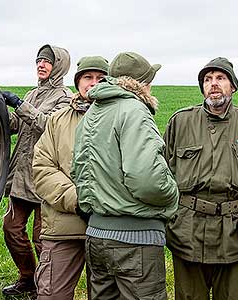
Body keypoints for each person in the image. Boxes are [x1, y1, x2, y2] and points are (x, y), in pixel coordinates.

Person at [71, 51, 179, 300]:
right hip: (135, 240)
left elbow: (78, 171)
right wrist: (173, 196)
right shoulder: (134, 111)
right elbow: (146, 180)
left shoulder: (90, 115)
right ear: (142, 83)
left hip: (96, 236)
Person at [164, 57, 238, 300]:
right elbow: (165, 174)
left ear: (233, 86)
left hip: (235, 235)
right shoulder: (180, 122)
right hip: (187, 233)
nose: (213, 84)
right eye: (207, 79)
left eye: (220, 78)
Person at [32, 56, 109, 299]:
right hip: (63, 227)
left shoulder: (120, 118)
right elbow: (42, 168)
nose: (93, 83)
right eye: (88, 77)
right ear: (78, 82)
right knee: (52, 294)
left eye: (101, 79)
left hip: (109, 228)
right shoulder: (58, 120)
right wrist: (78, 200)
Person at [1, 44, 72, 297]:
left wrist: (19, 104)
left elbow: (48, 124)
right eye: (39, 60)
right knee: (11, 228)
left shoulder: (66, 97)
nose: (41, 64)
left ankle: (46, 287)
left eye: (47, 61)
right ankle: (28, 278)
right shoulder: (33, 94)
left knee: (43, 240)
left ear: (59, 66)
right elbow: (15, 125)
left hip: (45, 179)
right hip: (21, 179)